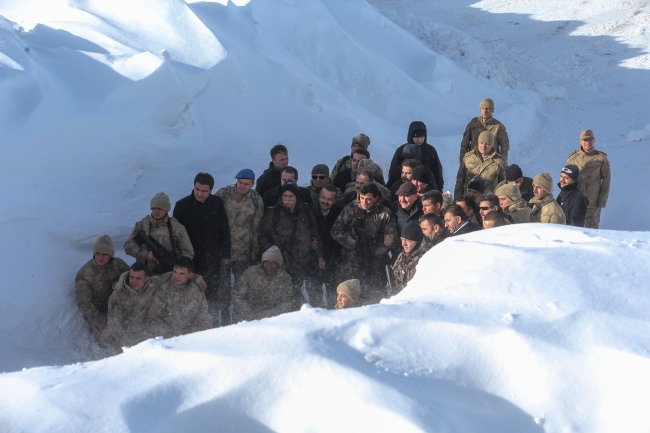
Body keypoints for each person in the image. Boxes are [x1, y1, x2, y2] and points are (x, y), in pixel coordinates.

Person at [107, 262, 205, 348]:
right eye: (132, 277)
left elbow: (176, 274)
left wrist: (198, 278)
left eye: (138, 278)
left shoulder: (153, 283)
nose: (134, 281)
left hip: (146, 330)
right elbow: (114, 325)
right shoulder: (117, 295)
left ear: (146, 279)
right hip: (126, 333)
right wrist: (124, 344)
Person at [172, 173, 230, 314]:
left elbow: (224, 229)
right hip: (191, 259)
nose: (200, 193)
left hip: (212, 257)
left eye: (204, 191)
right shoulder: (182, 206)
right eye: (197, 189)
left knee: (211, 292)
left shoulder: (216, 203)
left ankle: (212, 323)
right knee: (190, 292)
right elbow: (175, 235)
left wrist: (226, 254)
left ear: (211, 190)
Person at [331, 182, 397, 305]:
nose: (364, 202)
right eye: (362, 198)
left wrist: (375, 252)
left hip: (375, 264)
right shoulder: (350, 209)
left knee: (374, 299)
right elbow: (336, 230)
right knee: (348, 298)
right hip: (352, 262)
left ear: (376, 198)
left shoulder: (385, 214)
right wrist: (353, 244)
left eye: (368, 199)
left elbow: (391, 240)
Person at [258, 182, 324, 302]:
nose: (287, 199)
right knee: (283, 297)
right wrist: (275, 256)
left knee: (306, 293)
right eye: (285, 196)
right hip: (282, 264)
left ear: (296, 197)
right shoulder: (273, 213)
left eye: (291, 196)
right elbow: (262, 236)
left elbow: (315, 233)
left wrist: (319, 255)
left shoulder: (306, 211)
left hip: (304, 262)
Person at [75, 235, 130, 347]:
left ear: (110, 255)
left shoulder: (119, 265)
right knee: (107, 340)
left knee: (131, 331)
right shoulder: (85, 274)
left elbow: (132, 282)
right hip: (99, 314)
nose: (100, 257)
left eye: (104, 254)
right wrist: (102, 323)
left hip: (118, 308)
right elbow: (84, 304)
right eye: (97, 253)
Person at [214, 169, 265, 290]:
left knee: (242, 284)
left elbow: (257, 227)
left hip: (243, 250)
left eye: (246, 184)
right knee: (222, 285)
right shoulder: (223, 194)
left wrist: (255, 249)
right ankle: (223, 309)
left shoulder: (256, 200)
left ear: (253, 184)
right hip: (223, 249)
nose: (242, 186)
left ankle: (239, 309)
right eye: (240, 182)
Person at [124, 192, 194, 275]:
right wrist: (146, 254)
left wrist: (178, 264)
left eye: (160, 209)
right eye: (153, 208)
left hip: (170, 274)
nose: (156, 211)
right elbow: (128, 246)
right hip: (145, 276)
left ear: (166, 209)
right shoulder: (142, 225)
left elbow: (188, 252)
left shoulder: (177, 228)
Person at [146, 257, 213, 338]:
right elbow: (151, 319)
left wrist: (206, 323)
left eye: (181, 273)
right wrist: (165, 332)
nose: (177, 276)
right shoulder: (163, 291)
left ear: (190, 275)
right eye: (175, 272)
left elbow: (203, 312)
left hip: (191, 335)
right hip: (168, 338)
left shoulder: (197, 290)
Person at [231, 246, 297, 322]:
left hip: (273, 316)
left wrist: (266, 314)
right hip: (248, 315)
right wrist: (251, 313)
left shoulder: (285, 278)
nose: (269, 266)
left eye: (273, 263)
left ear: (278, 265)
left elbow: (288, 302)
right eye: (266, 262)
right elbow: (236, 296)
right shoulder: (250, 273)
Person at [566, 130, 611, 228]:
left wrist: (602, 201)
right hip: (576, 200)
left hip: (593, 202)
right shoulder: (573, 158)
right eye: (585, 140)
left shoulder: (600, 158)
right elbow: (566, 179)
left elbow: (606, 180)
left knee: (592, 229)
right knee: (574, 228)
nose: (588, 142)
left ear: (594, 141)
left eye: (590, 139)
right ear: (580, 141)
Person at [387, 121, 444, 192]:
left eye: (422, 136)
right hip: (404, 186)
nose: (420, 140)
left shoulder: (430, 150)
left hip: (425, 187)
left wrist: (439, 189)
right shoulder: (403, 150)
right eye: (417, 136)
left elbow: (437, 171)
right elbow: (393, 170)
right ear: (411, 136)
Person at [311, 185, 344, 305]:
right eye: (323, 198)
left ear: (334, 200)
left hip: (334, 260)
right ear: (319, 197)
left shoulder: (340, 213)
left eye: (330, 199)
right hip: (313, 259)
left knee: (333, 296)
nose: (325, 201)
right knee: (314, 297)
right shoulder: (310, 211)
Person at [455, 131, 506, 199]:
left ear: (492, 145)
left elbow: (502, 185)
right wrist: (457, 199)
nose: (483, 146)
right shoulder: (468, 157)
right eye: (481, 143)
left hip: (488, 202)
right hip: (469, 200)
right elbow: (460, 180)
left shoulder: (499, 161)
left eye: (487, 144)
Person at [459, 97, 510, 163]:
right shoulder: (474, 123)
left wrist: (503, 165)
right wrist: (462, 162)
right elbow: (464, 143)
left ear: (492, 110)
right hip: (473, 162)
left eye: (487, 109)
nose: (485, 111)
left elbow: (504, 147)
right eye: (482, 108)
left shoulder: (498, 126)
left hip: (491, 164)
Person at [391, 222, 428, 292]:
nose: (403, 244)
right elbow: (394, 275)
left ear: (416, 240)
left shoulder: (427, 257)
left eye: (407, 240)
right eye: (402, 239)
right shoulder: (402, 256)